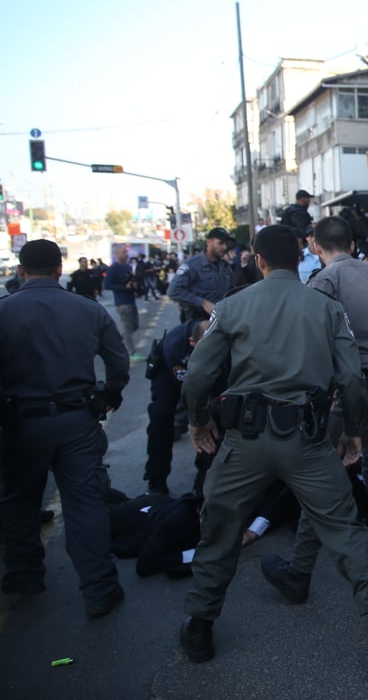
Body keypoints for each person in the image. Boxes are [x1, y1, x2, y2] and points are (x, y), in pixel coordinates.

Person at [177, 225, 368, 671]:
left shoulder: (233, 307)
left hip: (245, 442)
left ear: (258, 260)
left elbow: (198, 375)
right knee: (345, 530)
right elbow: (351, 379)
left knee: (218, 528)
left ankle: (199, 626)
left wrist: (198, 422)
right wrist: (352, 431)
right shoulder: (326, 308)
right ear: (301, 258)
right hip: (307, 439)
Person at [262, 215, 368, 599]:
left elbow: (309, 343)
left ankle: (299, 572)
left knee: (319, 478)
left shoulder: (325, 281)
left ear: (315, 248)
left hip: (360, 392)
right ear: (353, 245)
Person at [0, 239, 130, 617]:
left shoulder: (5, 311)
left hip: (20, 424)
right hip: (77, 419)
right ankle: (100, 589)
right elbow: (118, 362)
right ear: (60, 269)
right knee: (85, 504)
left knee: (19, 502)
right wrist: (110, 395)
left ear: (21, 271)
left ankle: (24, 576)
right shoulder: (87, 309)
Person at [144, 319, 211, 495]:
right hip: (168, 373)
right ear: (192, 342)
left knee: (215, 418)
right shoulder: (177, 348)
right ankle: (156, 480)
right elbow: (190, 393)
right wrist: (195, 420)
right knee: (161, 417)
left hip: (201, 375)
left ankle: (204, 479)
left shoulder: (218, 341)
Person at [168, 228, 234, 323]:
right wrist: (202, 302)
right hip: (199, 321)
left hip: (222, 319)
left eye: (226, 244)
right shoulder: (192, 265)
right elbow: (173, 291)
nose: (224, 247)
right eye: (220, 243)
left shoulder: (225, 267)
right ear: (209, 242)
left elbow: (231, 291)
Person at [104, 245, 142, 360]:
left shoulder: (127, 266)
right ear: (117, 254)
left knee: (134, 326)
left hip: (131, 300)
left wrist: (134, 285)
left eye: (126, 252)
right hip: (122, 302)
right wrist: (124, 287)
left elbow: (131, 281)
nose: (126, 254)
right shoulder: (114, 268)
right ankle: (132, 352)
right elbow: (107, 285)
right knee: (127, 327)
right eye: (123, 252)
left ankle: (115, 341)